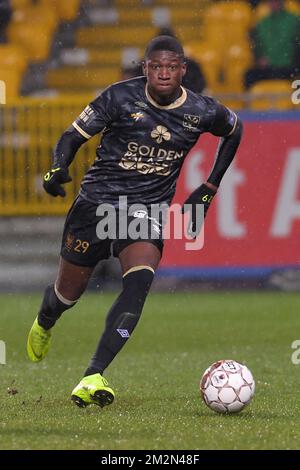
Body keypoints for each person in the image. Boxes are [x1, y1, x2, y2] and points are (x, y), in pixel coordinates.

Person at [27, 35, 243, 409]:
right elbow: (70, 137)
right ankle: (47, 319)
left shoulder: (202, 110)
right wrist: (57, 167)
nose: (163, 74)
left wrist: (208, 187)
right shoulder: (118, 98)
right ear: (145, 68)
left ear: (182, 70)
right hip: (96, 207)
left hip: (146, 212)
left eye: (171, 67)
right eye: (156, 67)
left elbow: (235, 130)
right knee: (66, 295)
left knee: (139, 284)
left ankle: (93, 375)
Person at [245, 0, 300, 88]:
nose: (273, 3)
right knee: (249, 75)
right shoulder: (262, 23)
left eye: (276, 1)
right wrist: (260, 58)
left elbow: (294, 46)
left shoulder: (294, 21)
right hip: (269, 68)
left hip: (288, 67)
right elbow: (258, 48)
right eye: (271, 1)